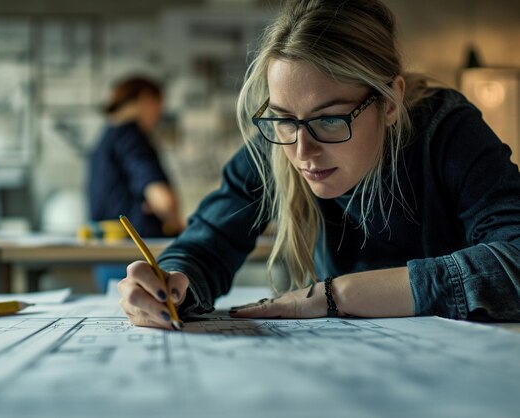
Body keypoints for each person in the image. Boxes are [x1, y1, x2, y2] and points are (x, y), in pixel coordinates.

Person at [117, 0, 520, 329]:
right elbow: (205, 246)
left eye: (330, 118)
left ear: (391, 101)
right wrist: (168, 283)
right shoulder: (278, 143)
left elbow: (514, 258)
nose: (302, 151)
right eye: (282, 118)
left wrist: (334, 295)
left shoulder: (445, 130)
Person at [87, 76, 184, 292]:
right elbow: (161, 197)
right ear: (146, 99)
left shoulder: (106, 138)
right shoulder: (131, 135)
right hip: (136, 255)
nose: (159, 114)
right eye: (159, 105)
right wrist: (178, 224)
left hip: (107, 253)